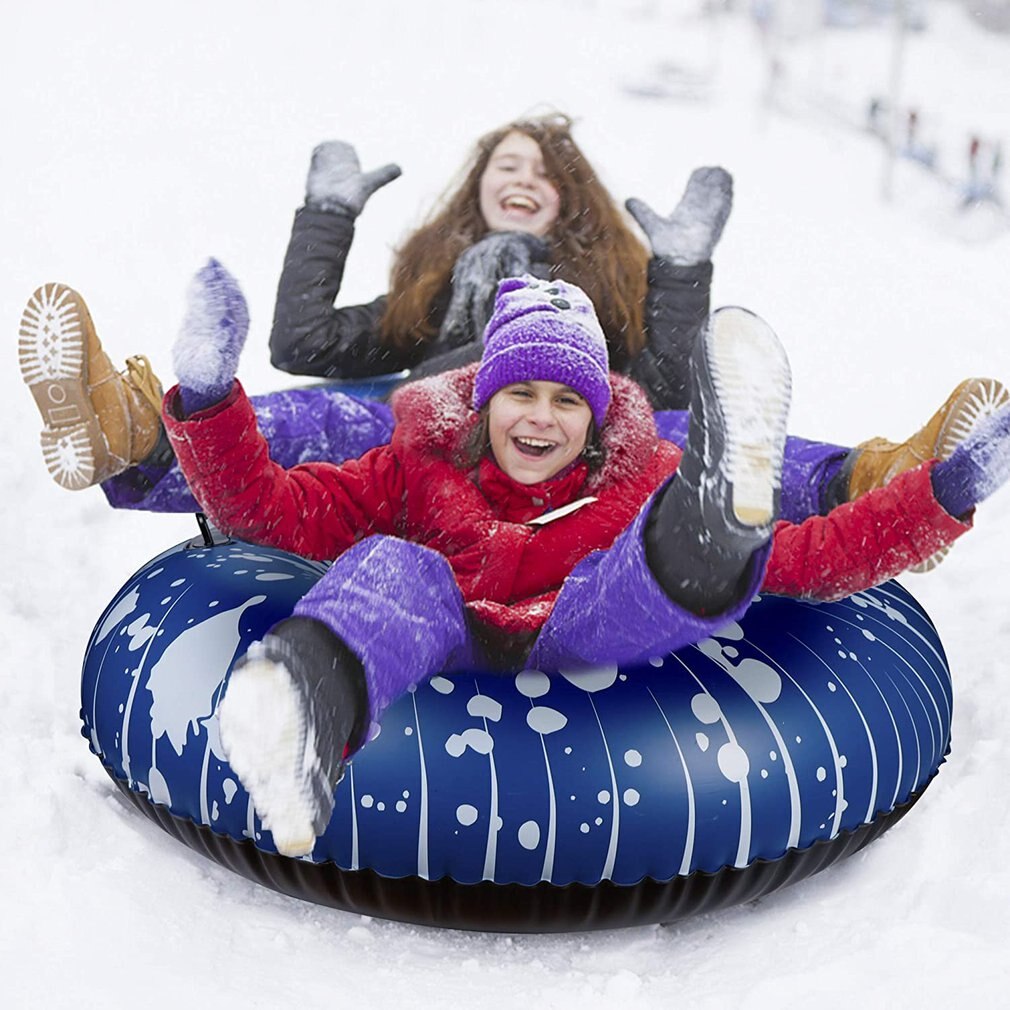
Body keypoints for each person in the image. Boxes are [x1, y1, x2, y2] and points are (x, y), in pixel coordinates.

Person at [156, 262, 1006, 857]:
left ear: (596, 418)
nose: (541, 418)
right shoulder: (415, 469)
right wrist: (206, 397)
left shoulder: (629, 481)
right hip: (441, 632)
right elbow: (265, 510)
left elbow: (814, 557)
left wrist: (948, 490)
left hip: (578, 636)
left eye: (568, 400)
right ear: (485, 397)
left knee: (619, 581)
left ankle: (710, 519)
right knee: (396, 567)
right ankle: (307, 704)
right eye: (520, 392)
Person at [18, 114, 1007, 566]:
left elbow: (663, 379)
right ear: (474, 189)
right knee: (317, 415)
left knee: (702, 444)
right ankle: (126, 430)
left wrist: (673, 274)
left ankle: (875, 476)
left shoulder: (594, 287)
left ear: (568, 200)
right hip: (421, 429)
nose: (524, 177)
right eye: (506, 163)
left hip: (572, 444)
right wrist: (326, 215)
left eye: (544, 171)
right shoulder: (433, 286)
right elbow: (303, 337)